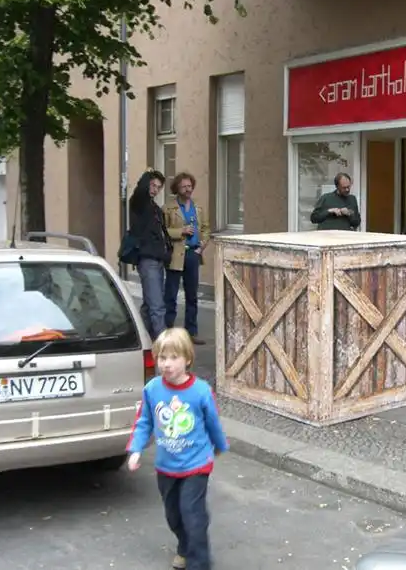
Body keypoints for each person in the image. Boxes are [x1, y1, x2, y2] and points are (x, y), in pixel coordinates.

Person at [127, 328, 229, 570]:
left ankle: (199, 562)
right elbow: (144, 421)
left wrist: (219, 445)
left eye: (174, 358)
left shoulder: (200, 391)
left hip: (196, 464)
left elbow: (213, 422)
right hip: (166, 467)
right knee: (173, 515)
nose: (167, 364)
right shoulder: (153, 389)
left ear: (188, 359)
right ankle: (185, 546)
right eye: (162, 358)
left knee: (192, 513)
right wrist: (136, 449)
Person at [163, 172, 210, 345]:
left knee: (192, 295)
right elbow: (162, 231)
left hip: (193, 254)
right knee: (171, 294)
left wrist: (202, 245)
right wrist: (180, 231)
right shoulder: (168, 208)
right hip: (175, 254)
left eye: (190, 186)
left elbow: (206, 228)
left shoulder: (198, 208)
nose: (188, 189)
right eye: (184, 186)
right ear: (177, 188)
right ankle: (167, 331)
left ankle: (191, 332)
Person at [130, 169, 172, 340]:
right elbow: (140, 191)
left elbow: (162, 233)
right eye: (152, 185)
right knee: (157, 306)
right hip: (148, 259)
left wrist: (167, 252)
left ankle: (141, 338)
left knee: (149, 304)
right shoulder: (139, 203)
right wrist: (147, 175)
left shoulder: (155, 208)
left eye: (158, 187)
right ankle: (163, 343)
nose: (155, 189)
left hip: (158, 259)